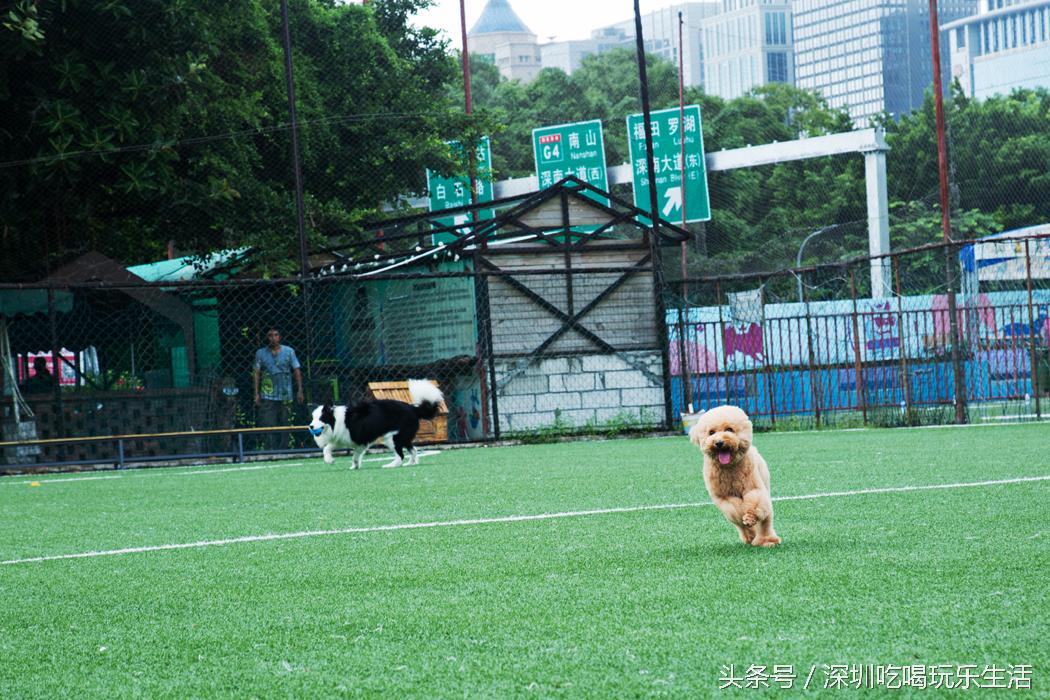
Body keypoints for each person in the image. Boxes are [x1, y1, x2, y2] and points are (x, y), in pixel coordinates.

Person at [253, 328, 304, 451]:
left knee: (286, 422)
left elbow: (296, 370)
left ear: (280, 337)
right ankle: (271, 449)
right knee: (268, 423)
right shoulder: (260, 353)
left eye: (276, 335)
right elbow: (256, 373)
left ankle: (285, 448)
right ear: (267, 338)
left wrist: (300, 390)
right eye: (270, 335)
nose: (273, 338)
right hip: (268, 393)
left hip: (285, 393)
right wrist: (256, 393)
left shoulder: (289, 351)